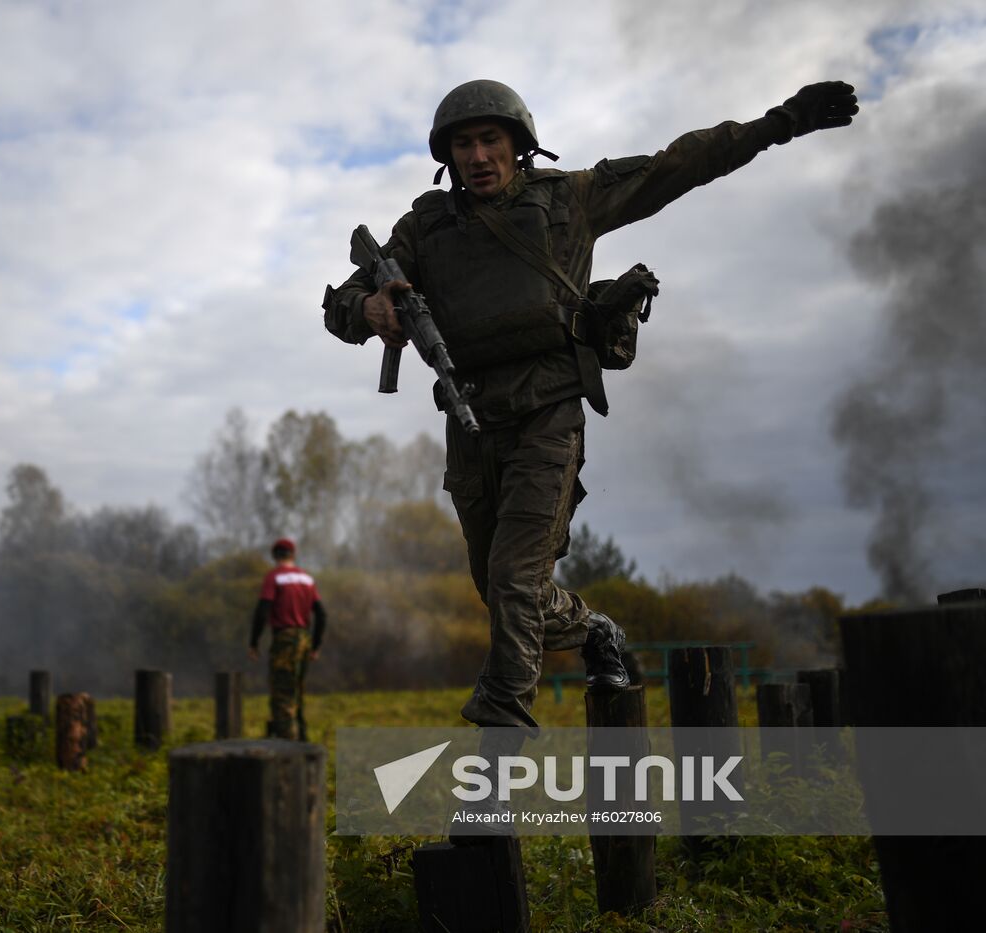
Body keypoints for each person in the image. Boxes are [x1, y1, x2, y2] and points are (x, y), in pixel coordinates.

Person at [323, 79, 857, 734]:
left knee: (514, 582)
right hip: (471, 422)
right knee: (503, 593)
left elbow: (677, 164)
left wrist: (782, 121)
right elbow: (342, 302)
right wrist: (371, 309)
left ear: (520, 144)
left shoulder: (569, 199)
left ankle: (496, 773)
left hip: (549, 413)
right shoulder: (425, 228)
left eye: (491, 139)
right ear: (448, 155)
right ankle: (596, 627)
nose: (479, 155)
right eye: (464, 143)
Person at [248, 537, 327, 740]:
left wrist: (254, 641)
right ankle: (304, 744)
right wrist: (315, 645)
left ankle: (288, 754)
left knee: (283, 697)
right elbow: (321, 614)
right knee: (297, 695)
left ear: (275, 556)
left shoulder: (274, 577)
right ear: (293, 555)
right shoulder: (307, 579)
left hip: (284, 639)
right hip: (304, 639)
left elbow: (263, 610)